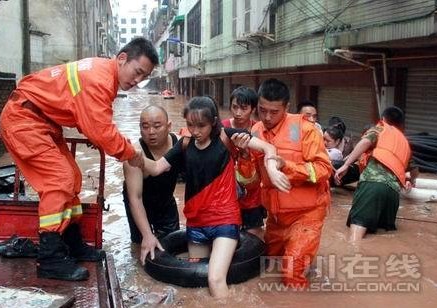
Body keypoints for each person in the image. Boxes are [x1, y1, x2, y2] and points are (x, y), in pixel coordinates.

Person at [0, 37, 159, 281]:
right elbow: (103, 132)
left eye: (143, 77)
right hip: (24, 120)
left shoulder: (103, 74)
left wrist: (99, 135)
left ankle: (72, 242)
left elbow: (85, 116)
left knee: (72, 177)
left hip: (42, 121)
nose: (137, 81)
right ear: (122, 58)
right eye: (137, 72)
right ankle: (50, 257)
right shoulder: (99, 80)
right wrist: (132, 154)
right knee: (59, 179)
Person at [142, 96, 289, 298]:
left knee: (215, 279)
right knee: (198, 280)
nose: (195, 131)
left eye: (201, 125)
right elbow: (157, 167)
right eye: (190, 125)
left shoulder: (227, 137)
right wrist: (132, 156)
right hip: (196, 223)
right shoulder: (185, 144)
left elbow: (268, 148)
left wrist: (272, 168)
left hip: (224, 220)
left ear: (213, 121)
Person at [233, 78, 332, 289]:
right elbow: (250, 182)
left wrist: (285, 165)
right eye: (262, 110)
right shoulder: (255, 132)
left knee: (291, 273)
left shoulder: (306, 130)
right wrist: (243, 155)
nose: (267, 117)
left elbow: (324, 170)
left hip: (307, 215)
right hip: (276, 218)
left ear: (286, 107)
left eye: (274, 111)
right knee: (265, 263)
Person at [334, 106, 418, 241]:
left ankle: (353, 259)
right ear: (402, 124)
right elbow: (414, 170)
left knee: (355, 238)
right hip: (393, 195)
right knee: (382, 238)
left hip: (372, 186)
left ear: (383, 119)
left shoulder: (380, 128)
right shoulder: (405, 144)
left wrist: (345, 164)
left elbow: (365, 141)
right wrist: (411, 181)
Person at [122, 105, 180, 263]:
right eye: (145, 127)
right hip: (139, 202)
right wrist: (147, 235)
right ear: (140, 129)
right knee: (140, 246)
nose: (151, 132)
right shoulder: (134, 155)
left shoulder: (179, 144)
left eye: (157, 126)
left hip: (166, 200)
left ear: (169, 126)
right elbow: (135, 198)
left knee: (173, 244)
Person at [221, 86, 266, 240]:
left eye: (244, 108)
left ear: (253, 109)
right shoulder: (222, 127)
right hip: (225, 189)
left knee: (254, 234)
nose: (238, 112)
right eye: (234, 107)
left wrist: (245, 153)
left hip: (251, 191)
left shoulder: (258, 130)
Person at [323, 117, 359, 186]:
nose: (325, 142)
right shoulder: (324, 136)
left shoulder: (344, 145)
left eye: (328, 141)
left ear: (337, 141)